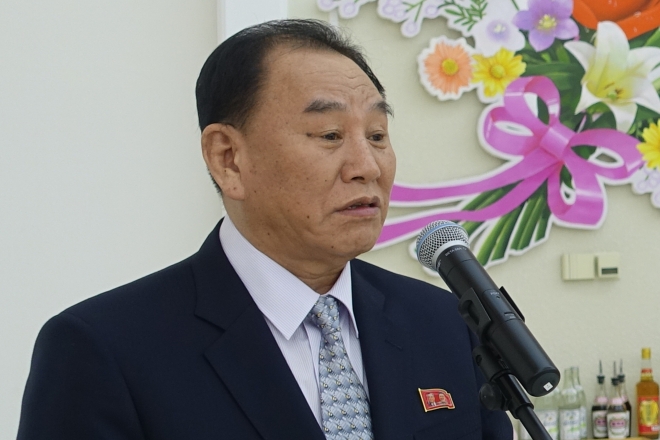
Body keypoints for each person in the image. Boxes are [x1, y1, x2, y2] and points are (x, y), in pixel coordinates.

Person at [17, 19, 513, 439]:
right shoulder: (104, 348)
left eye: (378, 135)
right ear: (229, 159)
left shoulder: (445, 324)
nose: (367, 166)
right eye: (330, 135)